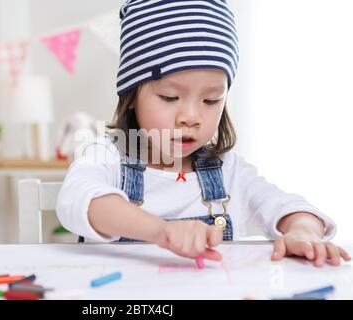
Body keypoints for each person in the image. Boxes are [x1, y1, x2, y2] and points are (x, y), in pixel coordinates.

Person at [57, 0, 350, 267]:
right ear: (132, 95)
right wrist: (161, 230)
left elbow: (286, 205)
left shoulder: (230, 171)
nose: (191, 117)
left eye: (211, 100)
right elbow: (82, 199)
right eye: (170, 97)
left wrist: (303, 229)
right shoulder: (105, 156)